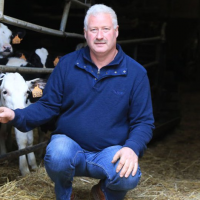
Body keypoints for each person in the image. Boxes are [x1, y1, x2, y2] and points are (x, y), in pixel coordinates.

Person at [0, 4, 154, 200]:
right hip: (70, 147)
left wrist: (132, 147)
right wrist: (15, 115)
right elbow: (47, 106)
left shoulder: (136, 73)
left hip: (110, 152)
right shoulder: (67, 64)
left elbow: (144, 121)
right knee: (56, 154)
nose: (99, 36)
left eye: (106, 29)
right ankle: (65, 194)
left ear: (116, 32)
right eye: (93, 29)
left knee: (129, 176)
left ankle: (102, 193)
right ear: (85, 33)